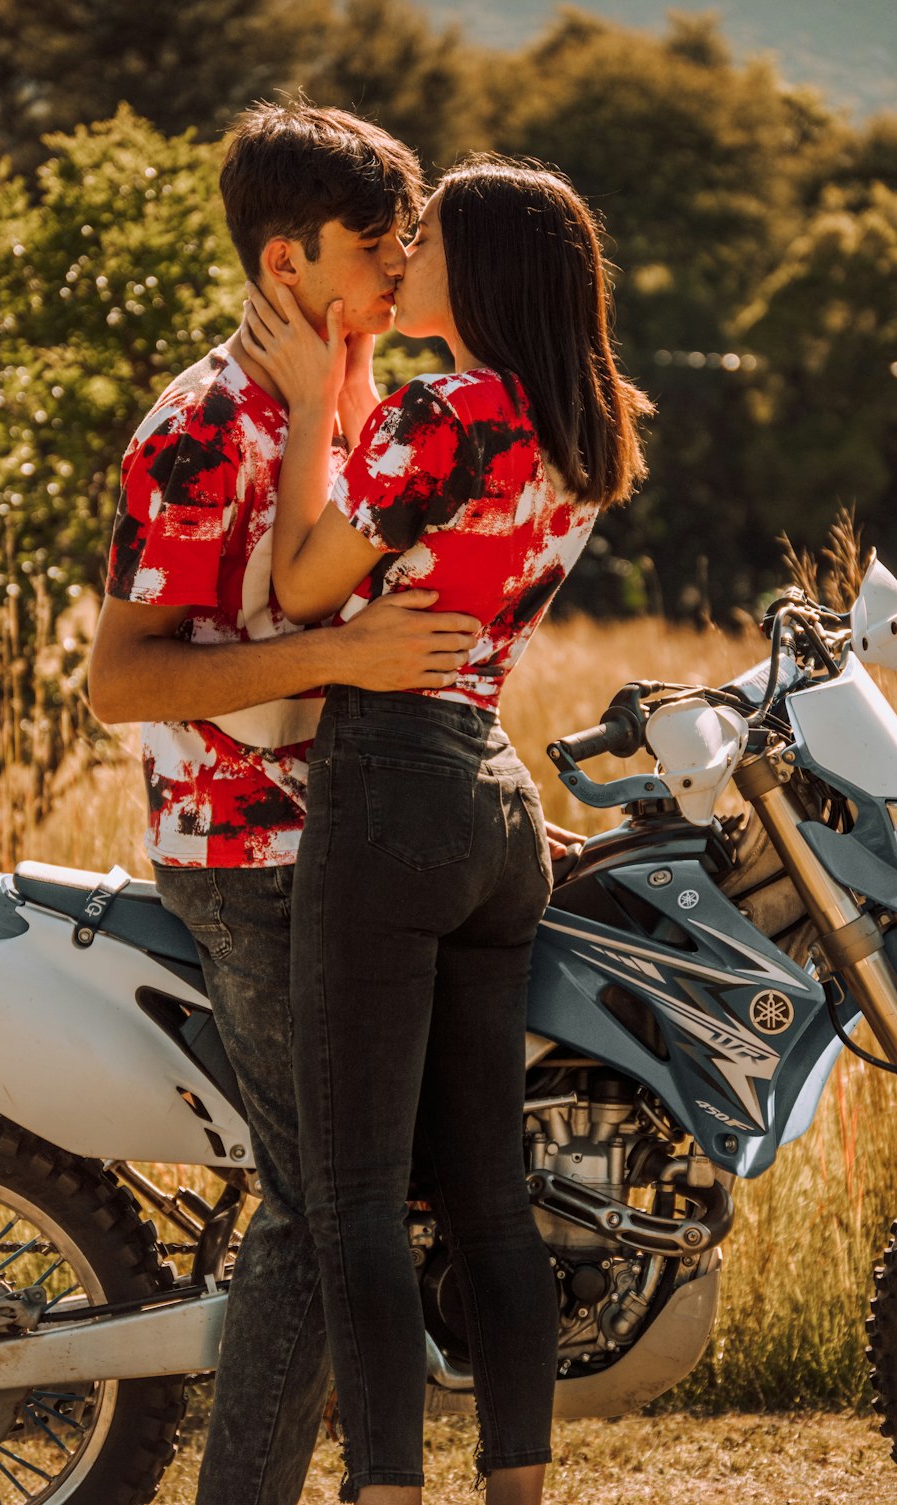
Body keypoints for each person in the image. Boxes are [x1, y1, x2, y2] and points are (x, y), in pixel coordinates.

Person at [241, 153, 654, 1504]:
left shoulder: (444, 412)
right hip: (493, 796)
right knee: (486, 1195)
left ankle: (386, 1492)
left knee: (358, 1190)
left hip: (390, 788)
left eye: (423, 240)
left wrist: (312, 408)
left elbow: (308, 585)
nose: (402, 254)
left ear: (474, 265)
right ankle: (516, 1492)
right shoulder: (580, 427)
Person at [87, 101, 483, 1505]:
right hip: (247, 855)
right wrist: (340, 655)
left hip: (354, 839)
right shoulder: (203, 426)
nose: (396, 271)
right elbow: (120, 682)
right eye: (375, 248)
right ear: (285, 261)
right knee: (325, 1201)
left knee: (362, 1193)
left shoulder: (356, 400)